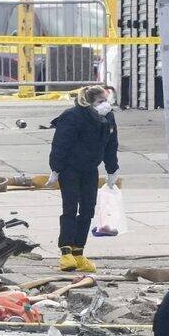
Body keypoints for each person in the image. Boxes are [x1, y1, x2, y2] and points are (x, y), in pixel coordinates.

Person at [48, 84, 119, 273]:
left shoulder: (108, 118)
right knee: (70, 208)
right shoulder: (73, 116)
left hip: (90, 169)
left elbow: (111, 145)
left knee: (88, 210)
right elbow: (60, 144)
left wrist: (112, 170)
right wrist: (56, 169)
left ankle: (78, 251)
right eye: (101, 101)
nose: (105, 104)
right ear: (89, 102)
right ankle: (66, 252)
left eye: (106, 100)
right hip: (70, 169)